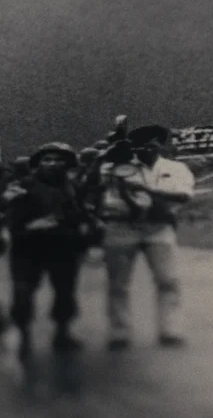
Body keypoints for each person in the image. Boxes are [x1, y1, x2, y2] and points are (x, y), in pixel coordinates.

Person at [91, 125, 195, 351]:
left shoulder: (175, 168)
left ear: (161, 145)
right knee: (118, 283)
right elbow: (92, 189)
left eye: (153, 142)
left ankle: (171, 329)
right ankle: (119, 331)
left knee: (168, 279)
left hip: (158, 226)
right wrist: (102, 160)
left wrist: (147, 190)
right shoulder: (115, 167)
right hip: (120, 226)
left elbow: (183, 195)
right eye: (141, 143)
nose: (148, 147)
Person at [0, 143, 90, 359]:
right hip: (27, 248)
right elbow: (11, 218)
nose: (52, 164)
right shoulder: (22, 186)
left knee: (65, 291)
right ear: (37, 163)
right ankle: (23, 337)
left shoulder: (73, 186)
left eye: (58, 159)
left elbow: (81, 214)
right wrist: (31, 225)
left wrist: (86, 228)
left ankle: (62, 333)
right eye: (46, 159)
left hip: (63, 247)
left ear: (68, 163)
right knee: (23, 293)